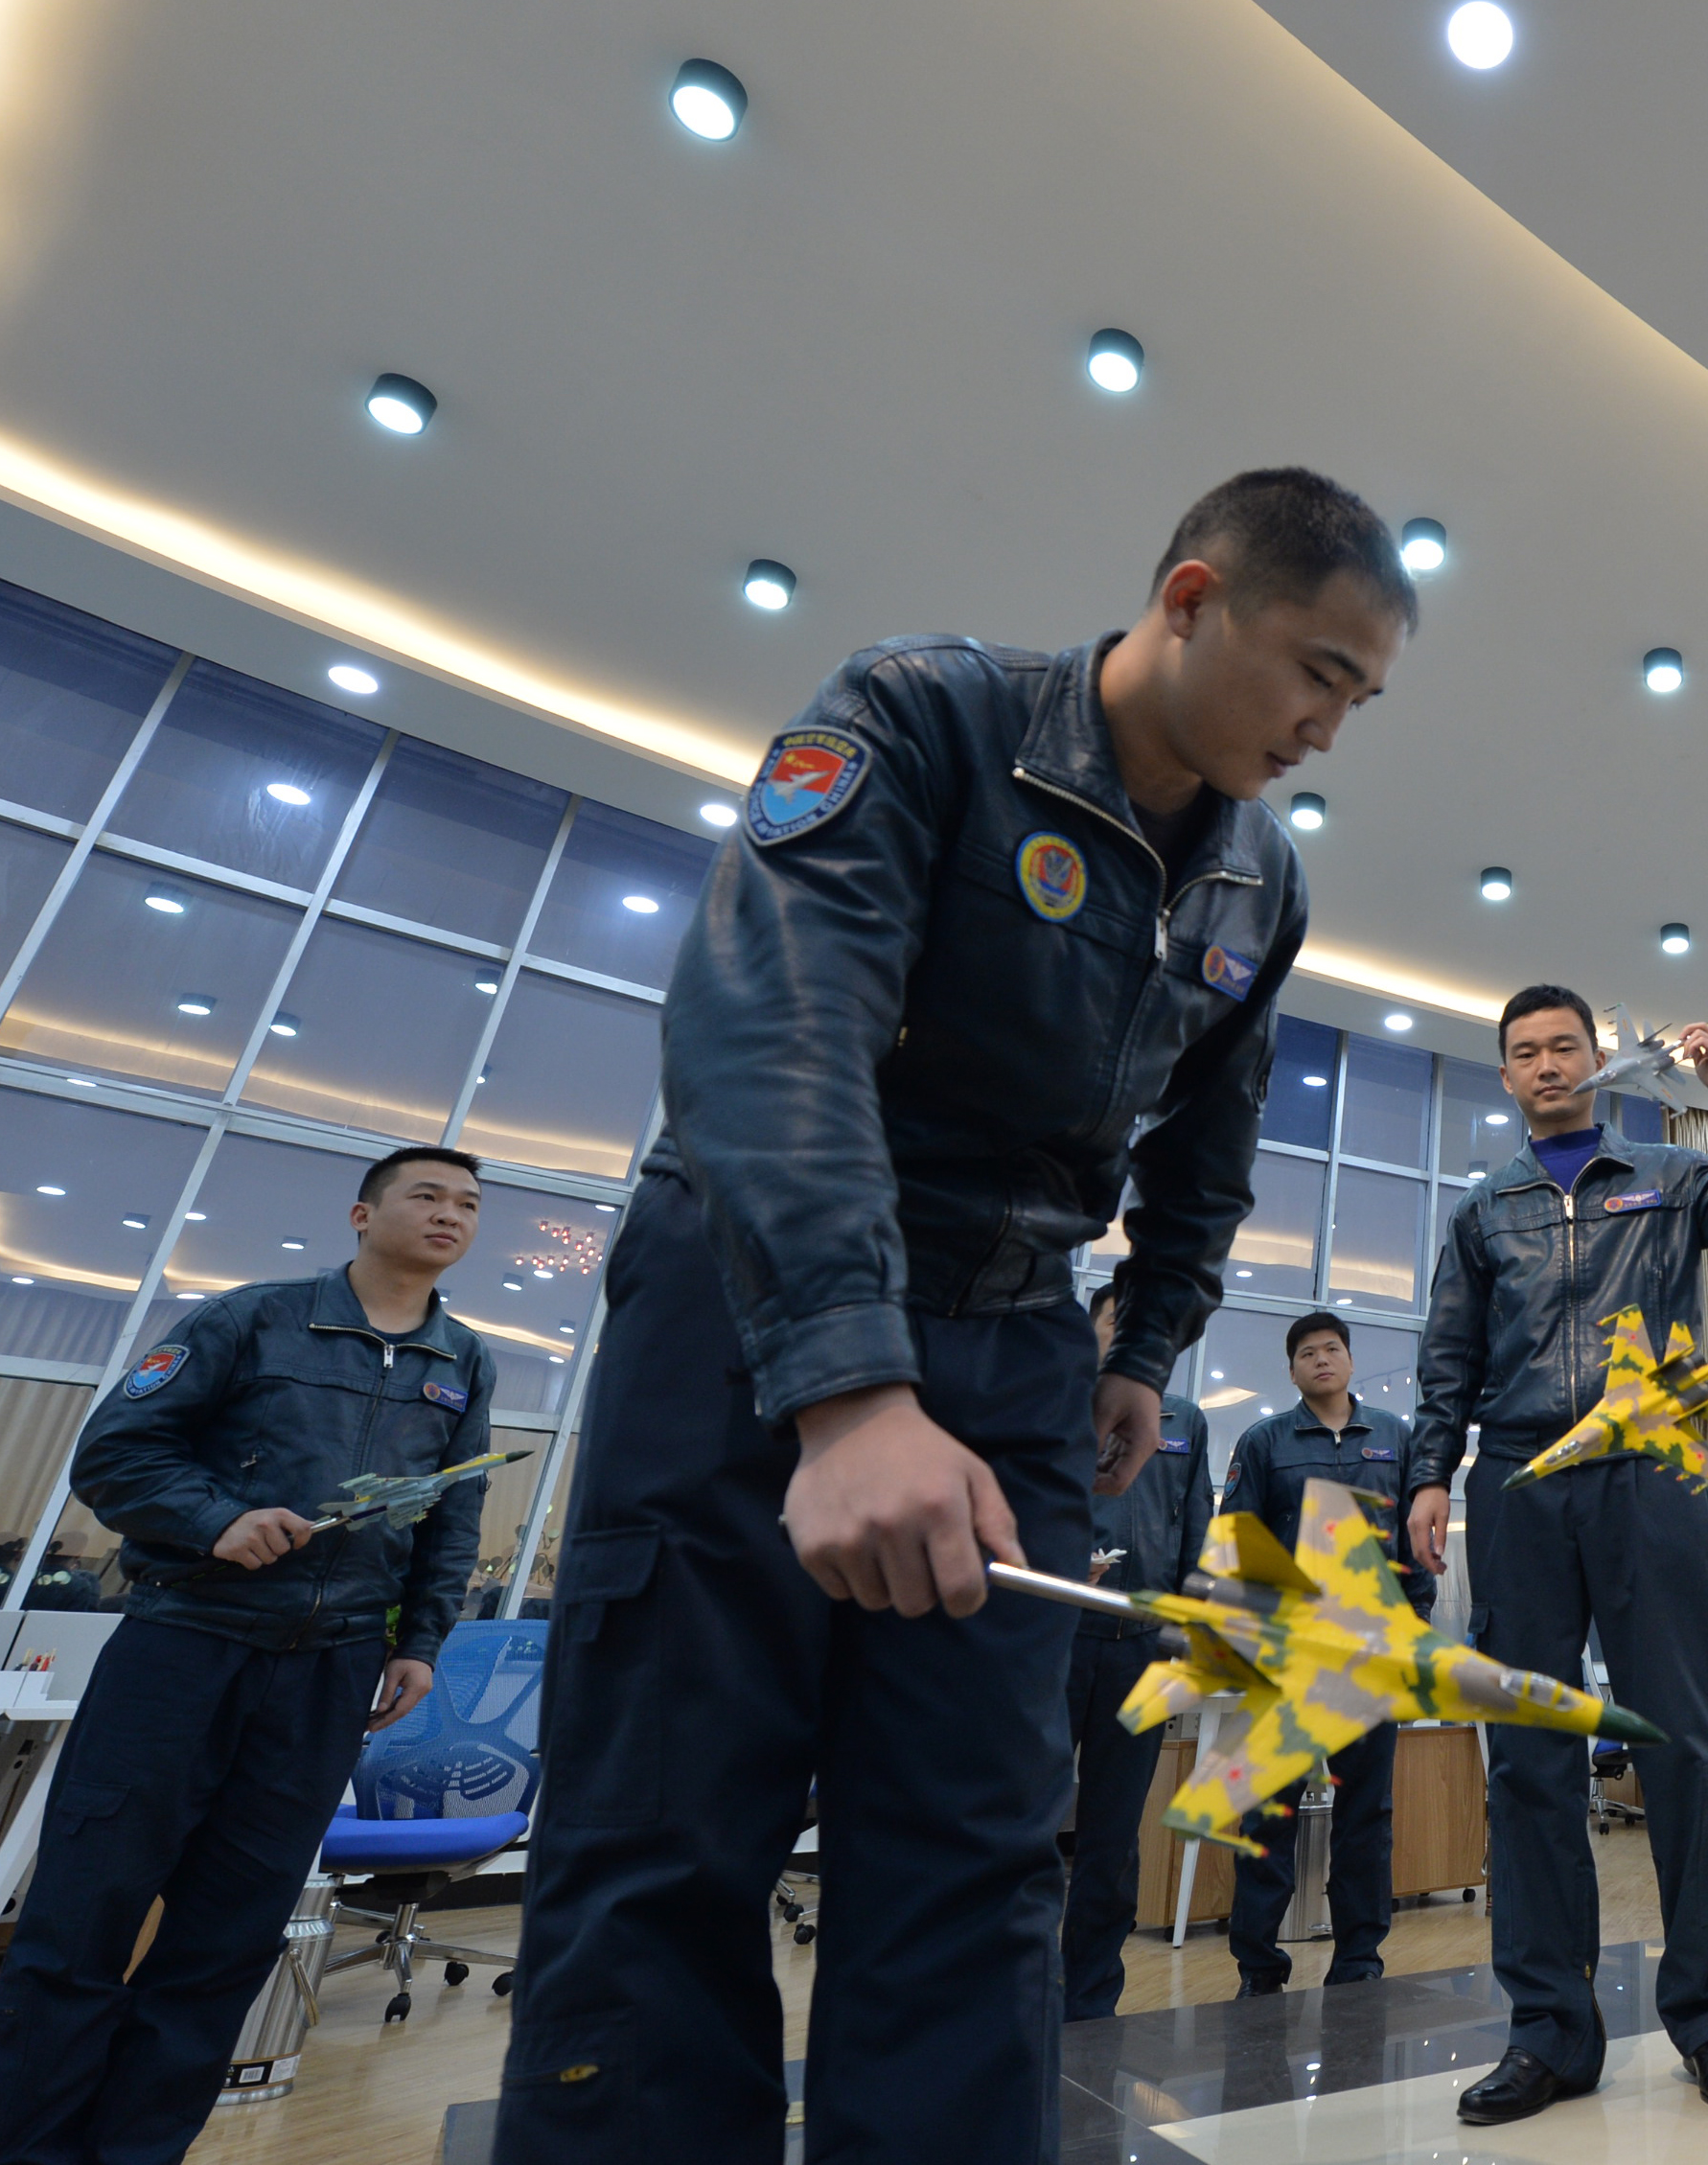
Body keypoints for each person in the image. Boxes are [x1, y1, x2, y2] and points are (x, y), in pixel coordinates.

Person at [494, 469, 1418, 2165]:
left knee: (980, 1852)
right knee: (664, 1837)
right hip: (750, 1303)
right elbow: (769, 1032)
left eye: (1359, 699)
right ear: (1195, 595)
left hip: (1014, 1352)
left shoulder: (1255, 885)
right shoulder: (925, 713)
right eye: (1317, 672)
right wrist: (847, 1392)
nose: (1326, 729)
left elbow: (1206, 1154)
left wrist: (1138, 1350)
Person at [0, 1146, 496, 2165]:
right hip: (185, 1645)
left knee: (228, 1940)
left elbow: (452, 1521)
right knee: (82, 1916)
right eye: (428, 1195)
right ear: (363, 1214)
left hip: (329, 1675)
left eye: (469, 1204)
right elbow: (114, 1457)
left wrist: (422, 1646)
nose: (451, 1214)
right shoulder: (252, 1319)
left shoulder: (466, 1363)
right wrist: (216, 1518)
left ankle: (136, 2150)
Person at [1401, 985, 1708, 2124]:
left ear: (1592, 1059)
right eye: (1523, 1053)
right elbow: (1448, 1354)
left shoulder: (1669, 1182)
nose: (1546, 1065)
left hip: (1652, 1469)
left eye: (1563, 1047)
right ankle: (1549, 2036)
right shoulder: (1482, 1210)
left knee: (1683, 1742)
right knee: (1529, 1757)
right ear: (1505, 1076)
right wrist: (1431, 1471)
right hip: (1521, 1477)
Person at [1216, 1310, 1431, 1995]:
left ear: (1348, 1358)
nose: (1320, 1360)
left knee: (1365, 1819)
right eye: (1306, 1352)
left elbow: (1413, 1552)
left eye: (1331, 1348)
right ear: (1292, 1369)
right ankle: (1258, 1963)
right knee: (1266, 1812)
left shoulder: (1396, 1438)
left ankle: (1359, 1961)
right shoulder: (1263, 1441)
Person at [1059, 1282, 1213, 2024]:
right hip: (1055, 1640)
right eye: (1116, 1320)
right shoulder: (1054, 1402)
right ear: (1090, 1331)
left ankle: (1089, 2000)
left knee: (1113, 1837)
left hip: (1139, 1653)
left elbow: (1196, 1536)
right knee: (1021, 1822)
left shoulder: (1184, 1421)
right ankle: (1008, 1988)